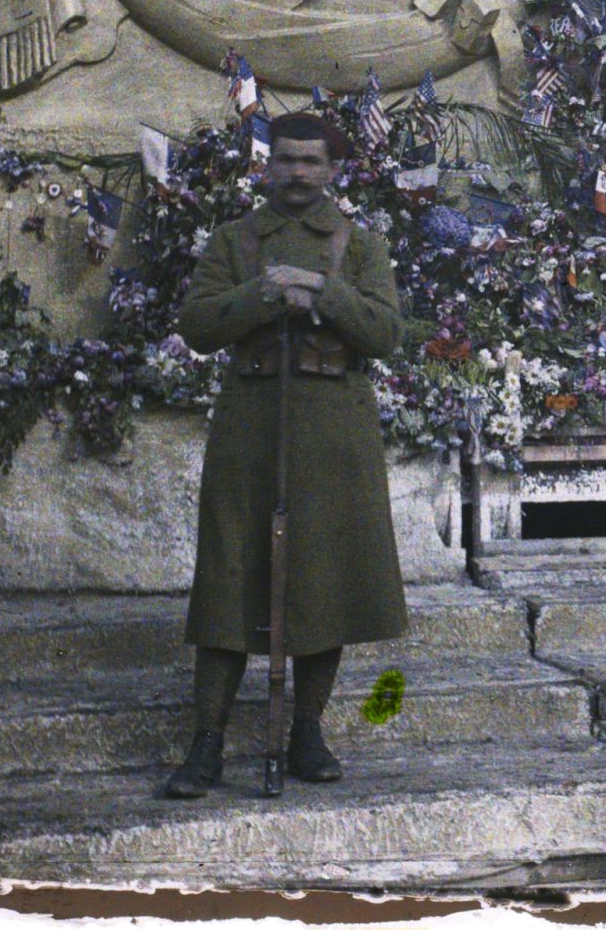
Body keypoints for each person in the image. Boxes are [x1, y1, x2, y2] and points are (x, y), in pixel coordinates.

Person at [162, 112, 410, 797]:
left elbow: (388, 332)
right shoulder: (234, 240)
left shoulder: (361, 245)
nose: (298, 173)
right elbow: (199, 325)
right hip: (249, 426)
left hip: (336, 432)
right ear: (267, 166)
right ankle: (205, 742)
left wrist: (323, 290)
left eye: (312, 161)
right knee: (229, 575)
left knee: (323, 577)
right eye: (287, 160)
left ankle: (307, 729)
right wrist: (263, 290)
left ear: (334, 170)